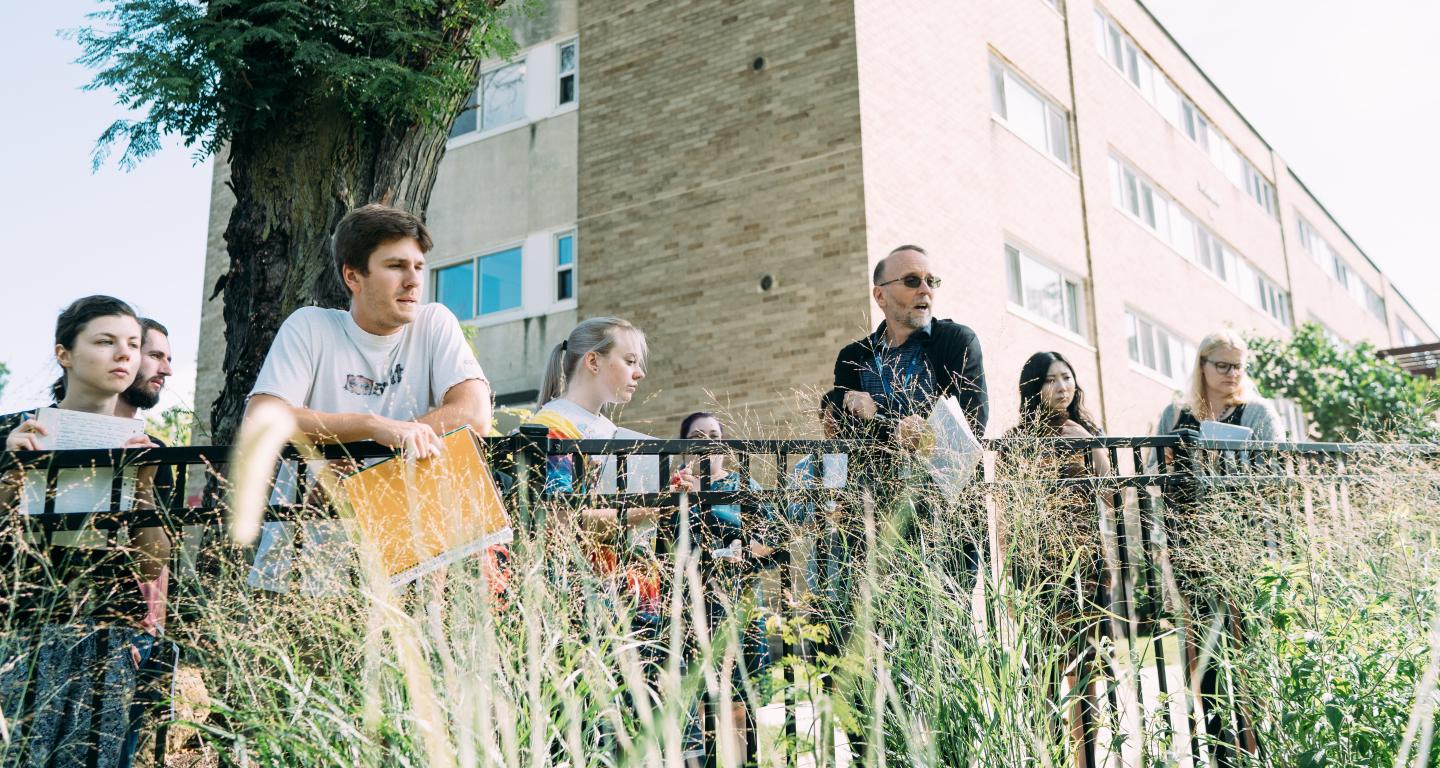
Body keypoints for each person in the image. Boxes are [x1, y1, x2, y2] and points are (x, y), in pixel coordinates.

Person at [244, 203, 492, 594]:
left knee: (412, 654)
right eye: (395, 266)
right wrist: (372, 428)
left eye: (419, 266)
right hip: (305, 562)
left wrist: (363, 471)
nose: (413, 281)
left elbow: (474, 412)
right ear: (353, 276)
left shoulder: (433, 322)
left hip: (412, 561)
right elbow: (261, 418)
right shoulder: (311, 326)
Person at [0, 295, 159, 768]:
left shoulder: (149, 447)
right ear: (64, 353)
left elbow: (152, 565)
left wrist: (145, 486)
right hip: (18, 624)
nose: (125, 354)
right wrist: (13, 473)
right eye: (105, 341)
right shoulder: (12, 431)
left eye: (133, 344)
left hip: (107, 630)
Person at [1153, 330, 1284, 766]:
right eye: (1222, 366)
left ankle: (1255, 747)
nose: (1231, 374)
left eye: (1238, 366)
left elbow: (1276, 473)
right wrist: (1172, 468)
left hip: (1243, 544)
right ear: (1203, 366)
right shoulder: (1177, 412)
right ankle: (1215, 751)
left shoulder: (1258, 411)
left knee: (1247, 649)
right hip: (1189, 546)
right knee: (1202, 653)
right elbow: (1154, 472)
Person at [1004, 351, 1112, 768]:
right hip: (1037, 570)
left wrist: (1090, 443)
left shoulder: (1086, 432)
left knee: (1087, 676)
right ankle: (1049, 758)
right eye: (1051, 380)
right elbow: (1009, 519)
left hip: (1086, 566)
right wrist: (1010, 580)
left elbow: (1108, 493)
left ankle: (1087, 760)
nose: (1062, 386)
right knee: (1045, 677)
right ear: (1035, 387)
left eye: (1067, 377)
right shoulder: (1018, 441)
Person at [525, 317, 660, 614]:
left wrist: (673, 492)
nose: (639, 373)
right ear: (593, 361)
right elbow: (559, 522)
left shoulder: (603, 428)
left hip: (624, 598)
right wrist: (649, 509)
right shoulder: (553, 427)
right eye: (629, 361)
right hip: (584, 603)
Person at [832, 244, 988, 444]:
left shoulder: (957, 341)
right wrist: (913, 432)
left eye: (931, 281)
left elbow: (969, 427)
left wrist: (877, 418)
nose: (925, 290)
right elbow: (847, 438)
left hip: (944, 475)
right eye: (912, 280)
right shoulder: (852, 357)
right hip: (876, 476)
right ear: (880, 296)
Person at [112, 317, 175, 766]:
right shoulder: (28, 434)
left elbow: (158, 561)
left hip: (133, 634)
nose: (166, 370)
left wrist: (152, 629)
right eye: (155, 355)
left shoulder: (157, 452)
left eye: (168, 359)